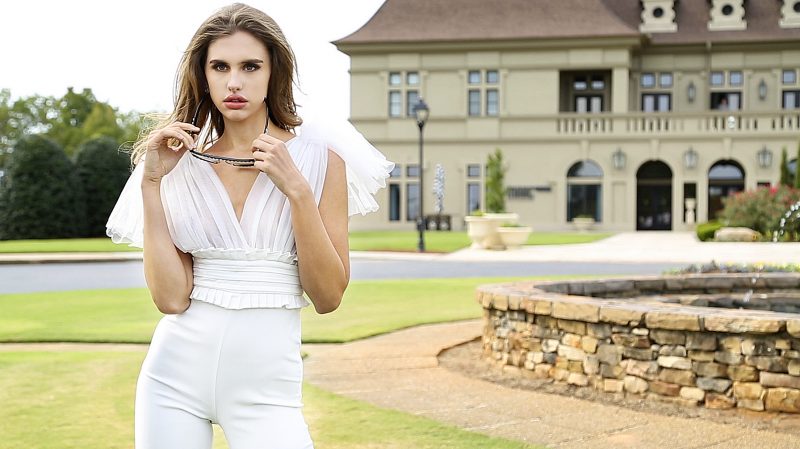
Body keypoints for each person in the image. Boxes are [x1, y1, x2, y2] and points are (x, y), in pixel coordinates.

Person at [105, 3, 394, 448]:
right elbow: (170, 298)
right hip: (172, 383)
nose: (234, 82)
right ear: (203, 75)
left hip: (268, 395)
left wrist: (297, 190)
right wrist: (151, 182)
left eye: (250, 66)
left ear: (273, 72)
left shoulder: (320, 160)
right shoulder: (179, 165)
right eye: (220, 67)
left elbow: (328, 296)